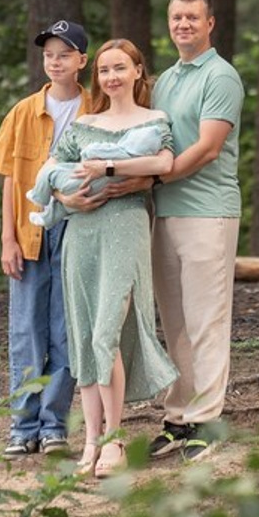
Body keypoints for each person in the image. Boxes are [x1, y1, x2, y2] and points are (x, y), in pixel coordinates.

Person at [43, 38, 178, 478]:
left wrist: (111, 170)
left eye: (120, 68)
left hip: (124, 226)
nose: (112, 77)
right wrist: (67, 199)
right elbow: (51, 169)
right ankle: (90, 442)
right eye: (104, 70)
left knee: (107, 333)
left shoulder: (154, 120)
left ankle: (114, 439)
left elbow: (164, 164)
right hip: (83, 232)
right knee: (83, 335)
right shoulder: (85, 124)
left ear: (138, 71)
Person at [147, 0, 245, 461]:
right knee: (176, 324)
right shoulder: (164, 79)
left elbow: (207, 148)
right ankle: (178, 417)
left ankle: (208, 420)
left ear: (211, 24)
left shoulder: (221, 76)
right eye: (176, 17)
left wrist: (155, 174)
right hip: (164, 212)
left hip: (208, 211)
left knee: (207, 321)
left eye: (192, 17)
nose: (183, 24)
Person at [0, 19, 90, 458]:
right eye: (49, 55)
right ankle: (22, 425)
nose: (55, 62)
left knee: (66, 331)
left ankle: (53, 425)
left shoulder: (96, 111)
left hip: (78, 229)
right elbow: (11, 180)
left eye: (64, 54)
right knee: (26, 329)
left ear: (82, 61)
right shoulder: (24, 111)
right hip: (30, 232)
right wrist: (7, 238)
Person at [25, 127, 169, 230]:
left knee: (51, 174)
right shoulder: (139, 161)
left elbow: (90, 151)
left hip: (82, 183)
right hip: (95, 194)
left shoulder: (120, 151)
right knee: (63, 205)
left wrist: (104, 165)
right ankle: (45, 216)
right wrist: (64, 198)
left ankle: (39, 196)